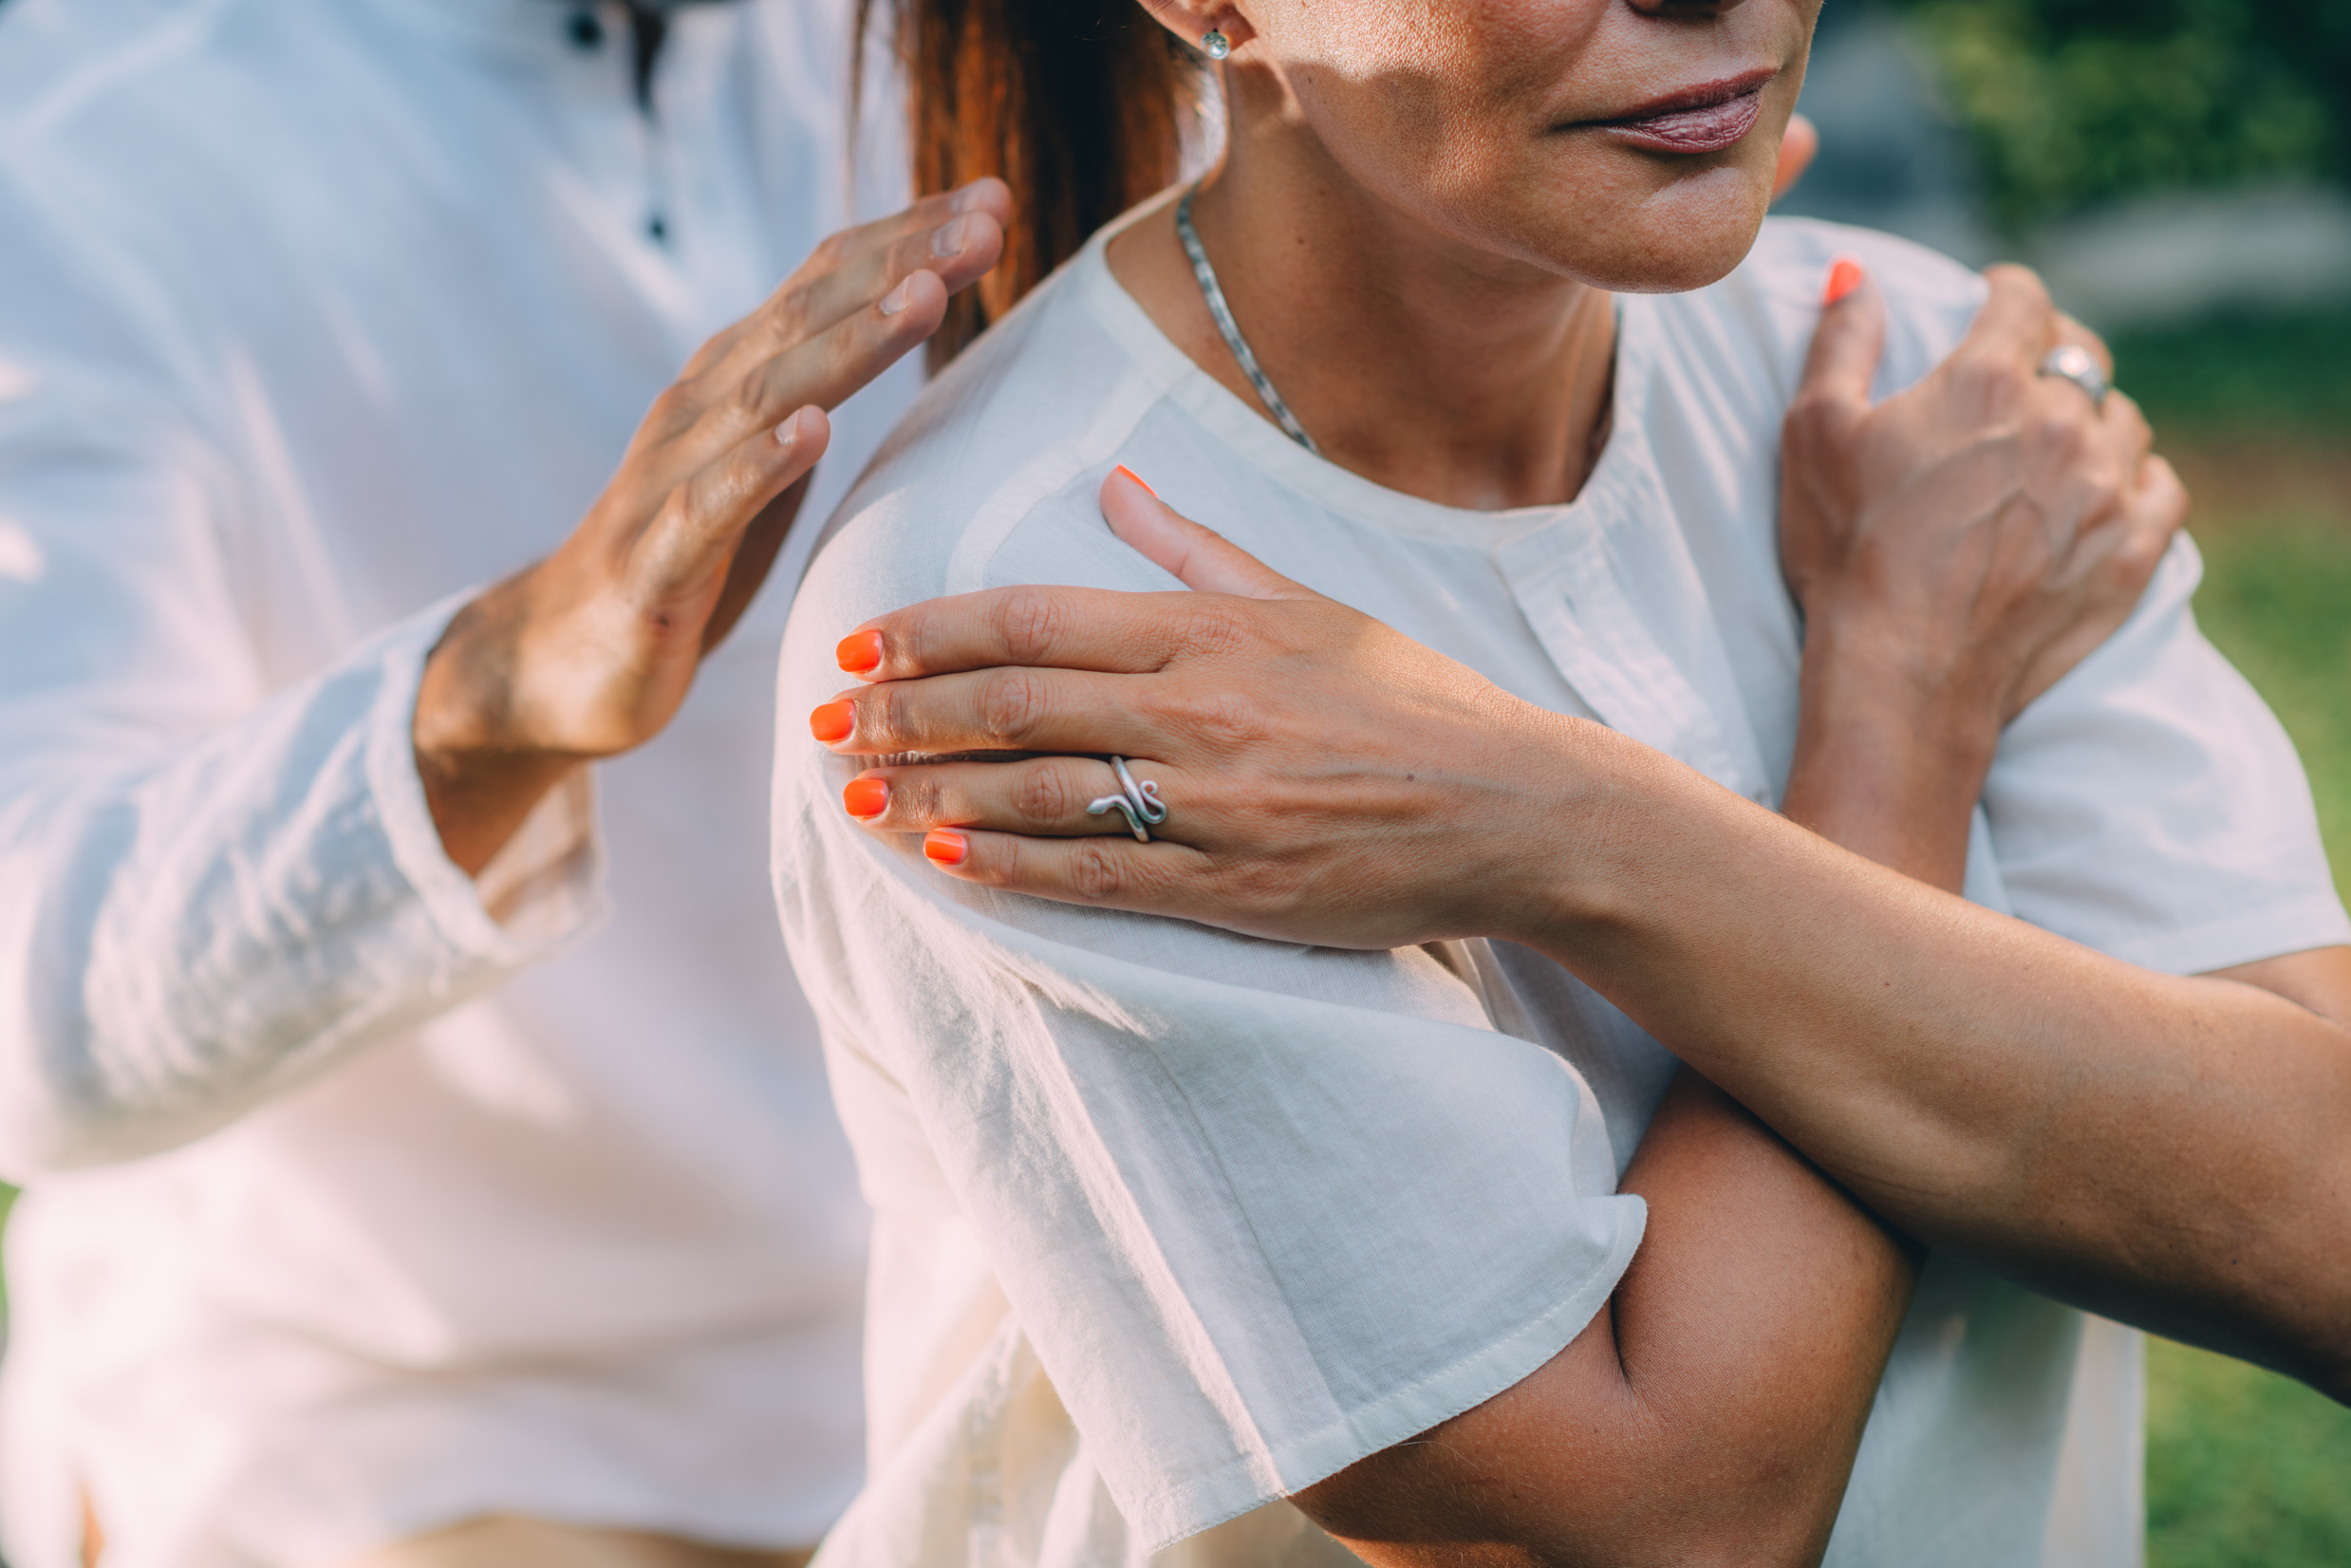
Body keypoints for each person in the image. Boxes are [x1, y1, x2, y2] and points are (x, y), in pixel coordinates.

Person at [771, 0, 2334, 1564]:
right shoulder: (1016, 617)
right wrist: (1903, 712)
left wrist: (1559, 817)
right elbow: (1655, 1520)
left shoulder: (1920, 387)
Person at [0, 1, 1011, 1562]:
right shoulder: (65, 138)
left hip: (977, 1379)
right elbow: (26, 1006)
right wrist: (498, 693)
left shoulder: (1001, 45)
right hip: (404, 1447)